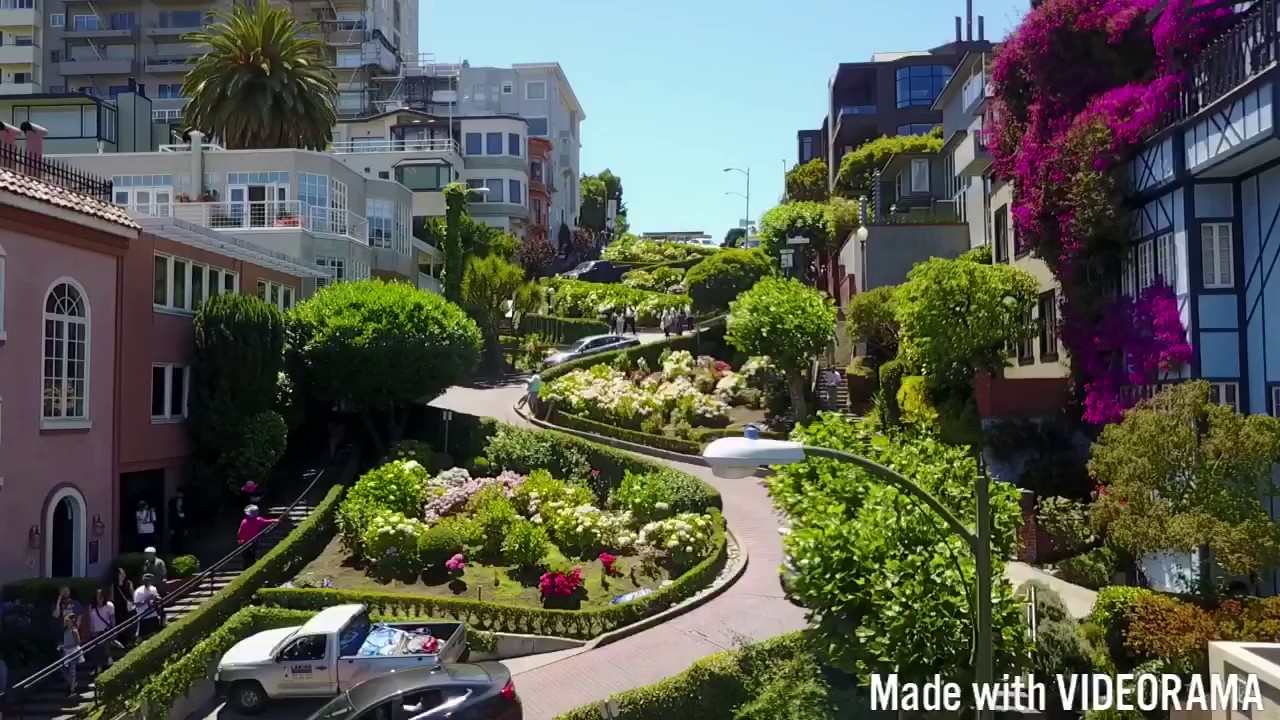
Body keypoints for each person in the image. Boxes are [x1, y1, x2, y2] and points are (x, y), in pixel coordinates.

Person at [87, 589, 115, 677]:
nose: (99, 599)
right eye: (98, 597)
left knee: (105, 648)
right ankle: (98, 668)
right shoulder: (92, 607)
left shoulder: (109, 606)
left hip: (105, 630)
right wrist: (91, 630)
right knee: (96, 651)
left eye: (101, 597)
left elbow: (112, 618)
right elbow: (91, 620)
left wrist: (113, 630)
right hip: (95, 631)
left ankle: (108, 666)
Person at [111, 567, 136, 647]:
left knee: (127, 624)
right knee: (119, 624)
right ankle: (121, 642)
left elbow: (132, 595)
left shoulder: (128, 583)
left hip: (127, 609)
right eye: (121, 574)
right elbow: (112, 598)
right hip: (118, 609)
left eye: (123, 574)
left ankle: (127, 642)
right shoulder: (114, 585)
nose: (123, 576)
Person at [133, 575, 162, 641]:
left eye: (149, 580)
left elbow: (158, 597)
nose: (148, 582)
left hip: (153, 614)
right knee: (144, 636)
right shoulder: (138, 591)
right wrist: (146, 600)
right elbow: (136, 604)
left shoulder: (153, 589)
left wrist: (157, 598)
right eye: (146, 581)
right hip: (144, 616)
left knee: (155, 634)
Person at [59, 613, 82, 697]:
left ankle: (72, 690)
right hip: (67, 652)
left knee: (72, 671)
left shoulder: (74, 631)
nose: (66, 622)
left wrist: (66, 646)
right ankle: (73, 683)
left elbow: (78, 643)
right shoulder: (66, 631)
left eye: (67, 620)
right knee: (64, 671)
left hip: (73, 652)